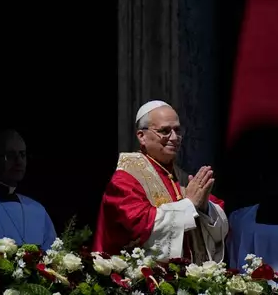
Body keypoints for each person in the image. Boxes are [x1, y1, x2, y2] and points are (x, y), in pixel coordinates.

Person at [93, 100, 228, 263]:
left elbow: (219, 218)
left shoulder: (183, 178)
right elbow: (140, 225)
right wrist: (189, 204)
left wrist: (205, 207)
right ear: (141, 136)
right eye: (164, 131)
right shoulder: (126, 179)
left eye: (177, 130)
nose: (174, 137)